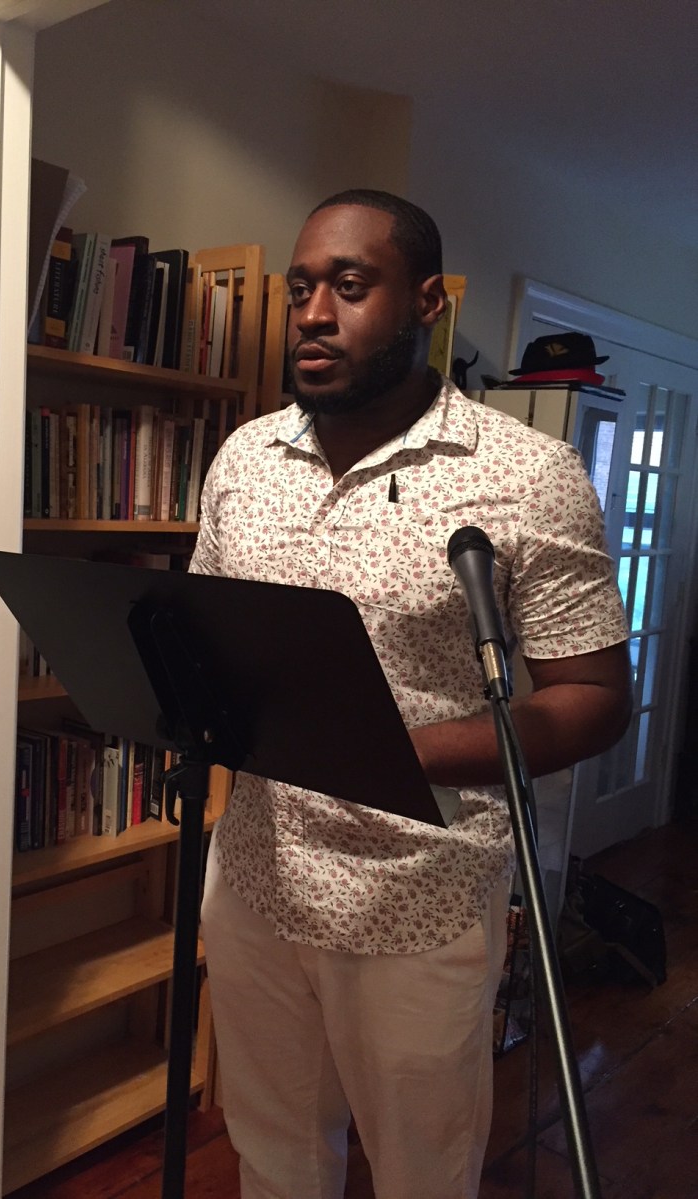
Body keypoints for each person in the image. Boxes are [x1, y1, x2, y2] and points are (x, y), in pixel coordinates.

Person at [189, 188, 632, 1199]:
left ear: (427, 302)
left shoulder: (525, 473)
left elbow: (594, 694)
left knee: (420, 1176)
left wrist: (386, 746)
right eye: (301, 288)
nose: (313, 313)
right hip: (254, 877)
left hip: (417, 902)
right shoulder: (244, 458)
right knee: (272, 1157)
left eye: (349, 286)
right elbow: (209, 631)